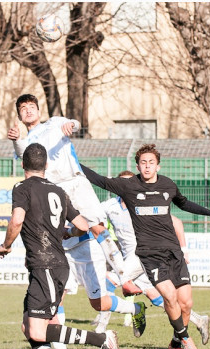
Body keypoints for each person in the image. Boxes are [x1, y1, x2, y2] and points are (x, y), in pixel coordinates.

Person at [80, 144, 210, 349]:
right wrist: (71, 161)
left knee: (185, 303)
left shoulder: (168, 185)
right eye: (143, 162)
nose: (147, 166)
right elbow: (97, 178)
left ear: (158, 165)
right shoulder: (128, 185)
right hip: (149, 255)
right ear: (137, 165)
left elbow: (183, 203)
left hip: (173, 252)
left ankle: (175, 344)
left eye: (151, 162)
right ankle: (185, 338)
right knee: (169, 297)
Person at [0, 143, 122, 349]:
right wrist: (67, 232)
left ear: (23, 164)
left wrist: (6, 245)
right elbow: (83, 225)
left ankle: (102, 340)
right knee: (28, 327)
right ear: (46, 166)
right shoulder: (58, 190)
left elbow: (17, 220)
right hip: (49, 265)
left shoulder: (21, 188)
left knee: (37, 329)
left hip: (46, 265)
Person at [7, 94, 128, 286]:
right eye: (23, 108)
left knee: (97, 227)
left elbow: (75, 123)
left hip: (75, 181)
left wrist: (72, 125)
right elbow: (22, 152)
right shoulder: (26, 140)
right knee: (50, 234)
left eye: (31, 106)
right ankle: (49, 282)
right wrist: (15, 139)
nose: (28, 110)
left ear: (39, 111)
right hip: (53, 190)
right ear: (20, 117)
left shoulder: (54, 123)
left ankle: (123, 275)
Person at [94, 171, 210, 345]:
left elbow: (177, 222)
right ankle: (198, 320)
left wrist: (184, 250)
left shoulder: (145, 201)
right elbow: (92, 216)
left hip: (144, 254)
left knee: (108, 284)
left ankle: (101, 331)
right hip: (134, 258)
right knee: (157, 296)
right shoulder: (110, 205)